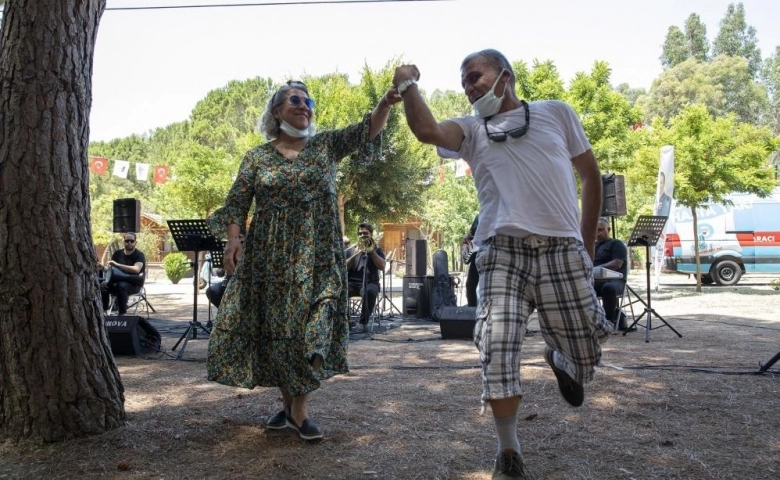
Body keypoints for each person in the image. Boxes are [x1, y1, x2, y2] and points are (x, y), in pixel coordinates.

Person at [393, 50, 612, 478]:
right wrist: (407, 86)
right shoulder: (471, 129)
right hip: (500, 253)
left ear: (504, 76)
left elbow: (589, 175)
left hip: (561, 250)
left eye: (475, 76)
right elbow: (427, 130)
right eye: (464, 82)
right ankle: (508, 451)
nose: (469, 86)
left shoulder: (555, 113)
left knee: (587, 347)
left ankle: (564, 359)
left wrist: (585, 248)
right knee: (495, 344)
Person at [207, 80, 400, 441]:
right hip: (271, 260)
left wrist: (387, 102)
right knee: (283, 336)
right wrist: (233, 240)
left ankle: (298, 408)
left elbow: (366, 130)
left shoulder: (325, 146)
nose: (304, 105)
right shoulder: (257, 157)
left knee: (318, 325)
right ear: (277, 111)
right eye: (295, 100)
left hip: (321, 259)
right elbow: (236, 203)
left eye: (308, 101)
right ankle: (293, 408)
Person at [345, 222, 386, 329]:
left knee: (370, 292)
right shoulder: (353, 249)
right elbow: (344, 268)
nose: (362, 236)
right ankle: (345, 321)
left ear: (371, 234)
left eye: (365, 233)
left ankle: (363, 322)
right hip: (352, 283)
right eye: (360, 234)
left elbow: (382, 266)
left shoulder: (377, 249)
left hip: (370, 282)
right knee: (339, 291)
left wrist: (372, 252)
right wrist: (355, 255)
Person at [593, 218, 632, 331]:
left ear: (608, 229)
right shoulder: (593, 246)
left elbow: (617, 263)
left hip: (615, 281)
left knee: (608, 288)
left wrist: (596, 268)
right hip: (596, 280)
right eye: (595, 231)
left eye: (600, 230)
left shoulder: (616, 244)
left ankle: (609, 322)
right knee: (580, 287)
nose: (597, 233)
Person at [99, 232, 146, 315]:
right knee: (103, 285)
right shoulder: (117, 254)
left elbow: (136, 270)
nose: (129, 243)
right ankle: (104, 312)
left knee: (121, 286)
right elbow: (112, 270)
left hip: (134, 284)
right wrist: (103, 268)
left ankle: (122, 314)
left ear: (135, 242)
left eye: (132, 241)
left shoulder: (139, 255)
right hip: (117, 281)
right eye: (127, 241)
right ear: (123, 242)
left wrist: (118, 265)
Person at [463, 213, 480, 307]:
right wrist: (467, 236)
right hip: (476, 255)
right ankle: (472, 310)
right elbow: (471, 232)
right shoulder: (479, 216)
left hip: (490, 255)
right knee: (470, 285)